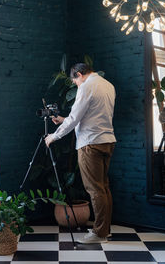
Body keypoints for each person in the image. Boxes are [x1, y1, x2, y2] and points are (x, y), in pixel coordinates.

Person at [45, 63, 116, 244]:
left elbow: (76, 117)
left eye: (74, 80)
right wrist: (63, 120)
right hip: (107, 140)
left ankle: (99, 234)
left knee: (94, 189)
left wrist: (54, 136)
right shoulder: (108, 85)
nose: (76, 84)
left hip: (90, 144)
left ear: (78, 74)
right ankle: (105, 230)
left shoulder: (86, 86)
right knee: (103, 188)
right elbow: (91, 115)